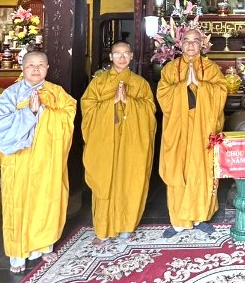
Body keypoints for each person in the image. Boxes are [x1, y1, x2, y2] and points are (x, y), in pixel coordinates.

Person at [0, 51, 76, 274]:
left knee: (47, 200)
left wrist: (45, 112)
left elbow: (68, 115)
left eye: (40, 65)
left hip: (47, 159)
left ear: (48, 68)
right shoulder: (10, 94)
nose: (36, 69)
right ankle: (17, 254)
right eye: (31, 65)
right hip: (20, 160)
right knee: (18, 204)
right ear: (22, 67)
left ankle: (44, 245)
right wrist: (29, 112)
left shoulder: (57, 93)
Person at [81, 41, 157, 246]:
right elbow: (87, 109)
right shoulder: (98, 83)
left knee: (131, 180)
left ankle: (127, 227)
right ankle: (103, 230)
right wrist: (111, 103)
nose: (122, 58)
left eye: (125, 54)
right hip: (104, 141)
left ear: (131, 56)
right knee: (105, 180)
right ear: (110, 57)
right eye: (117, 54)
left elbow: (150, 111)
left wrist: (129, 102)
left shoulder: (140, 83)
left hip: (132, 142)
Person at [157, 28, 227, 237]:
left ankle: (199, 217)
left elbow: (221, 93)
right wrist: (183, 86)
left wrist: (200, 85)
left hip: (202, 128)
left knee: (201, 169)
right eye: (186, 40)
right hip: (178, 128)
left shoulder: (211, 68)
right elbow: (162, 96)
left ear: (201, 44)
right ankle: (178, 221)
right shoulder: (170, 69)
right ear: (180, 44)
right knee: (177, 170)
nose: (190, 45)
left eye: (195, 41)